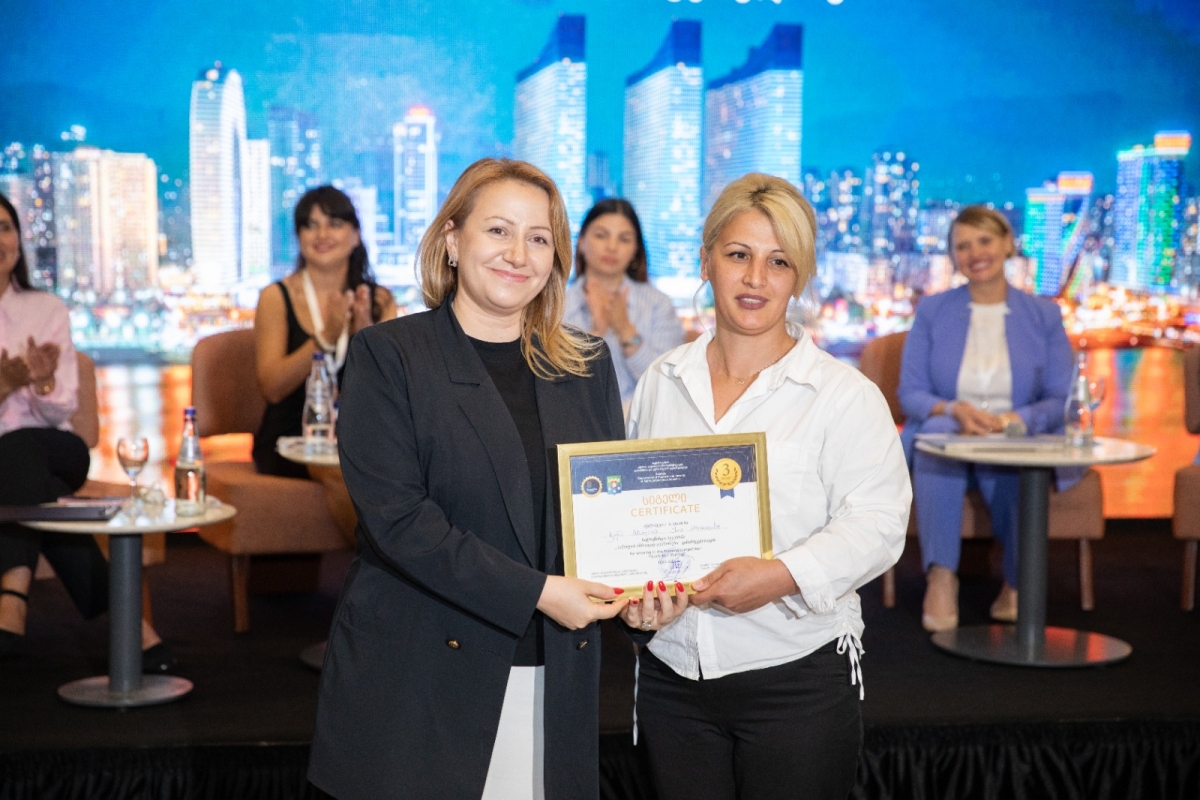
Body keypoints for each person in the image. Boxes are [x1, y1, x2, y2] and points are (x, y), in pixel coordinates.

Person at [308, 159, 630, 800]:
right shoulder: (389, 356)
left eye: (538, 238)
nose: (518, 254)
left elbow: (606, 520)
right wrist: (541, 592)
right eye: (498, 231)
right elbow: (401, 523)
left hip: (555, 678)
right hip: (421, 680)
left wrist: (647, 595)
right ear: (452, 241)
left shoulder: (587, 364)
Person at [619, 174, 910, 800]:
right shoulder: (660, 381)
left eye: (779, 262)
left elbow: (879, 524)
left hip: (796, 678)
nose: (756, 278)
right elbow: (636, 518)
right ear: (706, 262)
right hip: (671, 672)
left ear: (799, 277)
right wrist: (637, 601)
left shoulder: (843, 395)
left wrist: (779, 575)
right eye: (738, 255)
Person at [0, 193, 172, 672]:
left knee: (22, 453)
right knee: (37, 487)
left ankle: (12, 595)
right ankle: (133, 629)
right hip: (22, 471)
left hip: (56, 446)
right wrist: (4, 385)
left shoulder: (46, 308)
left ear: (18, 240)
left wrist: (41, 382)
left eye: (5, 228)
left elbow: (64, 409)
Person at [897, 205, 1075, 632]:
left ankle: (1017, 581)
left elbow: (1060, 399)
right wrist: (952, 409)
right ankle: (941, 576)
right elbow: (911, 393)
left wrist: (1016, 418)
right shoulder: (932, 310)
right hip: (951, 430)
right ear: (953, 256)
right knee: (935, 433)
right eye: (963, 246)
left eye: (984, 241)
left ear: (1008, 244)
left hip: (1016, 431)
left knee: (1011, 451)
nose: (975, 253)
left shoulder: (1044, 314)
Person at [252, 186, 396, 542]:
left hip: (358, 437)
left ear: (356, 235)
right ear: (299, 237)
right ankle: (387, 566)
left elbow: (389, 397)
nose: (322, 234)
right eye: (310, 225)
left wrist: (365, 338)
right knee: (346, 475)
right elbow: (272, 387)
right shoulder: (275, 297)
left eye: (334, 223)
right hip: (290, 438)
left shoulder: (379, 300)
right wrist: (325, 338)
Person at [564, 199, 684, 406]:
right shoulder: (556, 306)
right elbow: (557, 387)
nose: (612, 247)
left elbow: (668, 385)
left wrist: (625, 330)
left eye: (624, 239)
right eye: (601, 235)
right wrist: (596, 332)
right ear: (581, 242)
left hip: (643, 421)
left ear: (636, 249)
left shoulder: (658, 305)